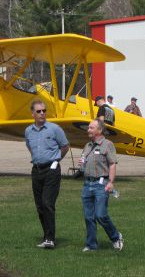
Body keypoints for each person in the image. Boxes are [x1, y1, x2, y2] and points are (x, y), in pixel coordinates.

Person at [24, 100, 69, 249]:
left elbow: (65, 146)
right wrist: (38, 159)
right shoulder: (28, 131)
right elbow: (30, 147)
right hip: (36, 170)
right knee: (39, 206)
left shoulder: (54, 129)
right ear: (33, 114)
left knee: (47, 203)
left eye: (44, 110)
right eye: (39, 111)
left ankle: (50, 238)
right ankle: (46, 236)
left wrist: (56, 160)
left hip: (51, 170)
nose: (42, 113)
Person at [79, 119, 124, 252]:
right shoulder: (87, 145)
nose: (88, 130)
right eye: (88, 128)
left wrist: (111, 182)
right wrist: (82, 165)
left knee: (101, 215)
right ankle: (91, 245)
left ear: (100, 130)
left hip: (101, 184)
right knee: (88, 217)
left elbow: (112, 163)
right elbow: (84, 162)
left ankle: (116, 237)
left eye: (91, 128)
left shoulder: (108, 144)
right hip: (87, 184)